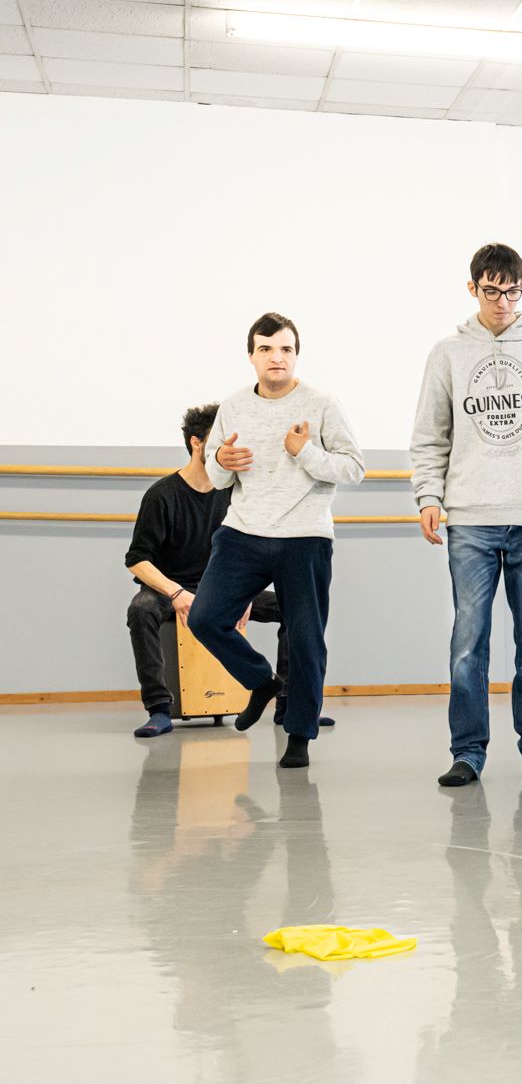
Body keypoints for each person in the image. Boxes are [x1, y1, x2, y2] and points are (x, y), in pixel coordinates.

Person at [412, 243, 522, 788]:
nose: (504, 302)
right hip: (469, 516)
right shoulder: (448, 352)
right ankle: (468, 752)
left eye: (513, 292)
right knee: (468, 643)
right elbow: (430, 435)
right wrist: (428, 497)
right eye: (492, 291)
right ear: (473, 289)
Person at [189, 314, 365, 769]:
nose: (276, 357)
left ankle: (299, 735)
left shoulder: (322, 404)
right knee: (205, 617)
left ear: (296, 355)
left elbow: (353, 468)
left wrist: (305, 453)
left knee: (306, 640)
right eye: (266, 349)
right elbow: (217, 477)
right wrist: (222, 458)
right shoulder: (233, 406)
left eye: (285, 349)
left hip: (304, 536)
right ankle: (261, 681)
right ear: (252, 356)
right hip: (242, 533)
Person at [124, 402, 301, 738]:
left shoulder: (235, 492)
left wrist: (246, 592)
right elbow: (137, 559)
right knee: (141, 609)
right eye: (219, 440)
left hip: (224, 586)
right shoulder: (162, 495)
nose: (228, 449)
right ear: (196, 443)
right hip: (172, 588)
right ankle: (159, 709)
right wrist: (176, 593)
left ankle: (289, 704)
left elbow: (254, 548)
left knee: (296, 606)